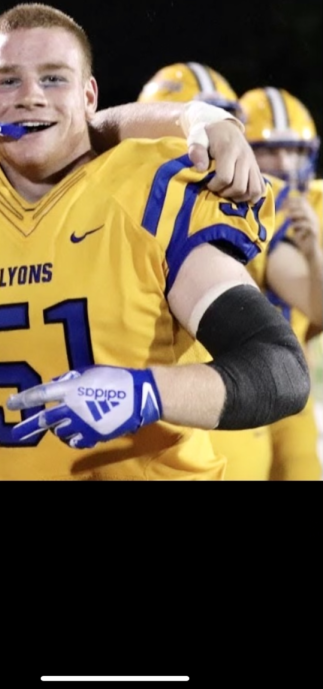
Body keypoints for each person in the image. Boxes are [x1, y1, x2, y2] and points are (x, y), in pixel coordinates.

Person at [0, 3, 309, 481]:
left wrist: (145, 392)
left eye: (53, 78)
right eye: (8, 80)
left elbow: (280, 370)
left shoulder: (147, 192)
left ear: (89, 96)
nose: (30, 97)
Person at [128, 63, 322, 480]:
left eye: (220, 124)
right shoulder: (105, 200)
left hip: (233, 400)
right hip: (147, 414)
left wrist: (314, 254)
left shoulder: (252, 207)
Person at [238, 86, 322, 480]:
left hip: (287, 387)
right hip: (233, 387)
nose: (285, 163)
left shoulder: (307, 208)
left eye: (297, 151)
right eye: (269, 149)